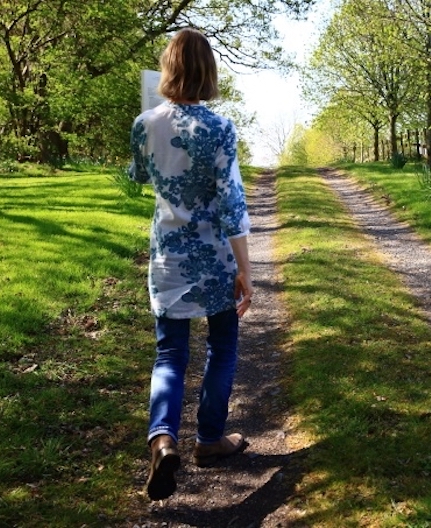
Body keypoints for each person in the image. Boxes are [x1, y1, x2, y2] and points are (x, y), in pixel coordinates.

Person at [128, 28, 253, 501]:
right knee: (221, 346)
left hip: (167, 259)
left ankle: (162, 439)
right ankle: (209, 440)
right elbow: (232, 205)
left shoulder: (145, 123)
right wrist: (247, 271)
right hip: (215, 258)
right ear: (208, 72)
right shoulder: (220, 128)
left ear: (168, 68)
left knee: (169, 355)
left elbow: (138, 175)